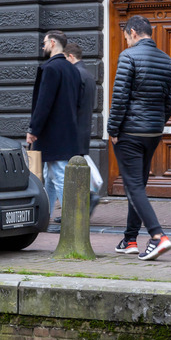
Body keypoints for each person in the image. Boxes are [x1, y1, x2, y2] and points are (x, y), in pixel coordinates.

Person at [107, 15, 171, 261]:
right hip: (153, 132)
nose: (126, 42)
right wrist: (157, 121)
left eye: (126, 37)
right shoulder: (168, 61)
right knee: (137, 185)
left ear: (134, 33)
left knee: (133, 186)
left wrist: (113, 129)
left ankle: (158, 237)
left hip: (130, 132)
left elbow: (120, 98)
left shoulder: (128, 57)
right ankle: (130, 239)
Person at [27, 30, 81, 220]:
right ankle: (44, 216)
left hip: (52, 134)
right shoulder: (73, 69)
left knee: (58, 176)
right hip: (67, 132)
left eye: (44, 43)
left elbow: (43, 103)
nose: (42, 47)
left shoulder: (50, 69)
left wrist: (33, 129)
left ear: (52, 43)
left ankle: (72, 224)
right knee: (50, 177)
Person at [63, 43, 100, 217]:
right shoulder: (88, 75)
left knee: (70, 170)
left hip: (73, 129)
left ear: (70, 57)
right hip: (84, 128)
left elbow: (70, 104)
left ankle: (88, 197)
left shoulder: (75, 74)